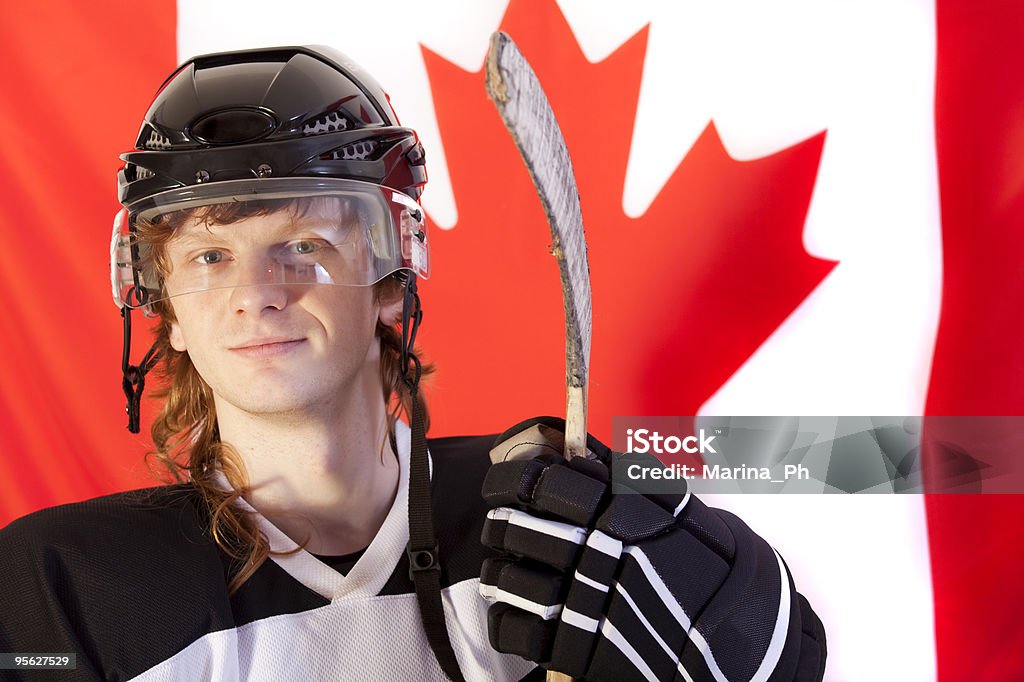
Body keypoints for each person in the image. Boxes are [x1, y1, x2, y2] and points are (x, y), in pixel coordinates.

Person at [0, 45, 826, 681]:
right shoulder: (61, 588)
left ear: (394, 279)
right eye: (210, 258)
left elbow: (802, 630)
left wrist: (732, 604)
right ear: (164, 306)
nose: (257, 293)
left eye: (304, 245)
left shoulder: (546, 517)